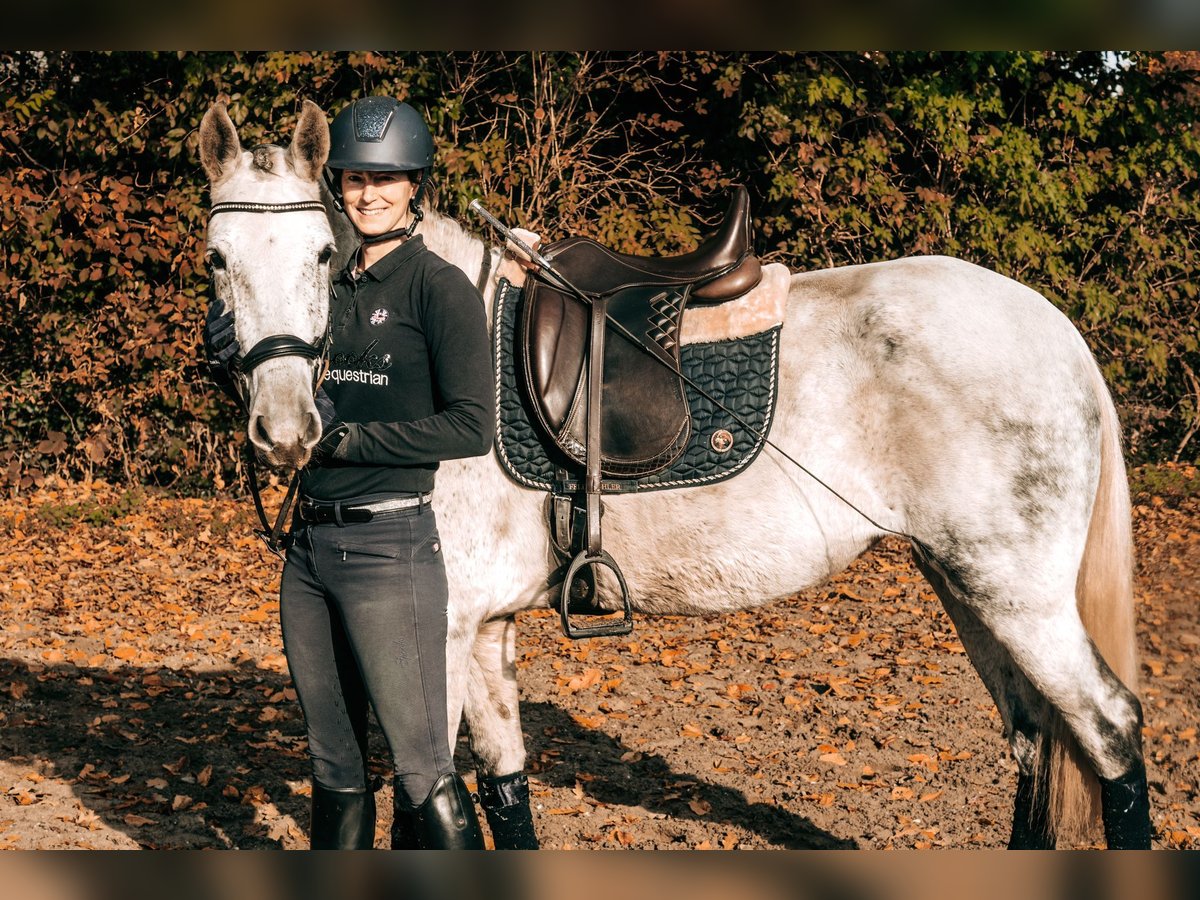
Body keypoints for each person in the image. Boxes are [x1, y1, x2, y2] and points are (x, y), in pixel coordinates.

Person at [205, 96, 495, 849]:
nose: (369, 194)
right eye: (357, 178)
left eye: (387, 179)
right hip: (308, 556)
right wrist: (229, 360)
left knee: (423, 769)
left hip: (389, 551)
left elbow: (471, 426)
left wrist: (347, 443)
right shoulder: (329, 288)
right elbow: (290, 366)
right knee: (334, 767)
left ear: (415, 187)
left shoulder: (438, 288)